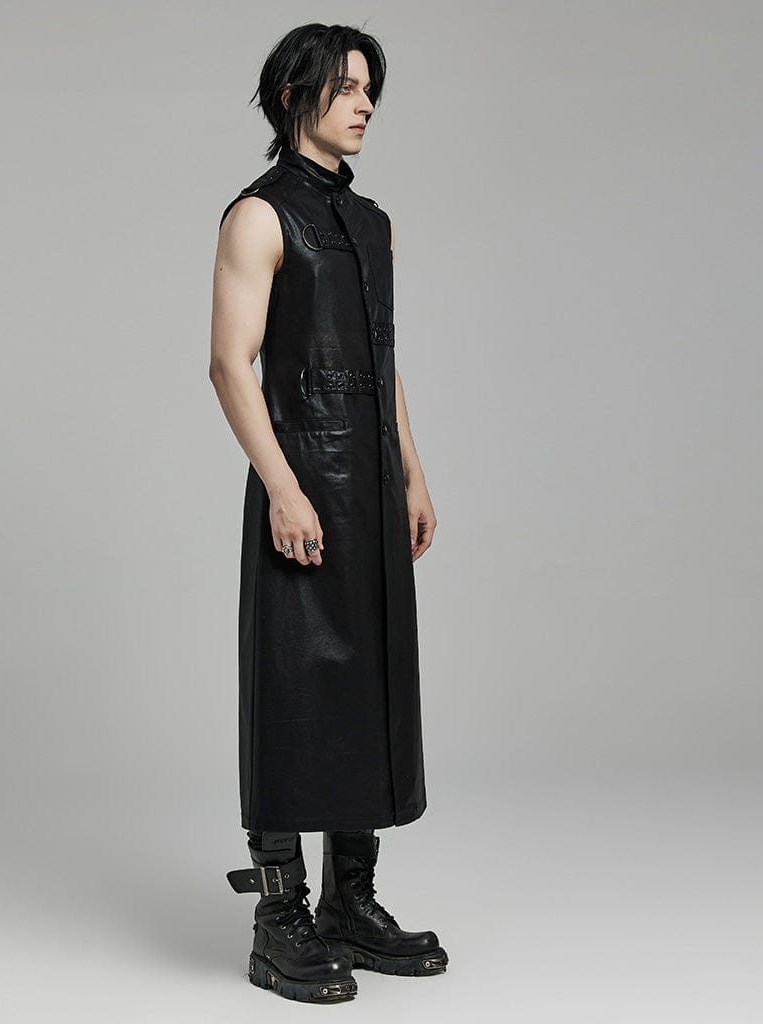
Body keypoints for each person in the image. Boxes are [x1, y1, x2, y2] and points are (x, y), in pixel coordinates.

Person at [208, 23, 448, 1003]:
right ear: (291, 96)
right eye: (346, 87)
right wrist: (282, 485)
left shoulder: (374, 223)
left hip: (371, 486)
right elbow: (230, 364)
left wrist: (412, 474)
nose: (364, 103)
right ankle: (280, 921)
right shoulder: (259, 216)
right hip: (301, 474)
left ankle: (352, 902)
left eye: (368, 89)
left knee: (371, 685)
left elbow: (384, 362)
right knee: (292, 688)